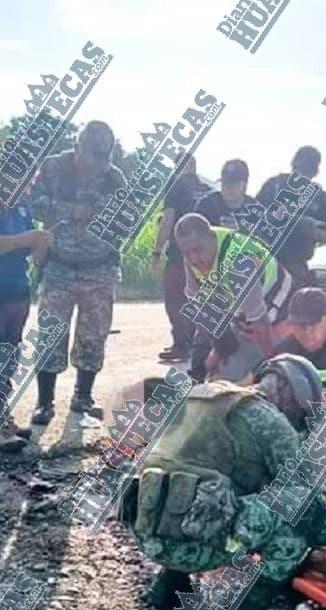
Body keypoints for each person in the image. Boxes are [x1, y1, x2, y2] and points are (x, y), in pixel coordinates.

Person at [118, 355, 326, 610]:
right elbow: (307, 499)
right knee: (297, 511)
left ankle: (167, 587)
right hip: (199, 546)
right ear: (295, 396)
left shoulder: (202, 394)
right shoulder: (269, 420)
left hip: (147, 533)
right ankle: (247, 605)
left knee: (193, 488)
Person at [28, 121, 127, 425]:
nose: (95, 167)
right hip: (59, 265)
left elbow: (127, 217)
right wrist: (68, 209)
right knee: (50, 336)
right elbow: (34, 202)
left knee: (93, 336)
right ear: (79, 145)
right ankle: (44, 402)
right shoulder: (54, 167)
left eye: (101, 159)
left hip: (100, 269)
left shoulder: (114, 178)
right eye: (91, 158)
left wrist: (98, 212)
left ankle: (82, 398)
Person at [175, 213, 295, 384]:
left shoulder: (239, 261)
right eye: (186, 253)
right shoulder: (192, 256)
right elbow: (202, 312)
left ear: (211, 239)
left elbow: (259, 321)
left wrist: (272, 367)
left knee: (248, 382)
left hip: (277, 310)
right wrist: (217, 351)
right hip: (242, 311)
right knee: (213, 375)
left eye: (197, 251)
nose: (193, 259)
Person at [0, 199, 53, 452]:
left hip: (17, 289)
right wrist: (27, 239)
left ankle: (3, 418)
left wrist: (40, 244)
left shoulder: (23, 207)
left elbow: (28, 248)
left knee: (9, 355)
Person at [151, 154, 208, 361]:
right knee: (196, 300)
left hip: (179, 255)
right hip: (205, 258)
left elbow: (167, 220)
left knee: (175, 300)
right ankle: (195, 344)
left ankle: (181, 345)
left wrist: (156, 252)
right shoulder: (206, 189)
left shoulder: (176, 187)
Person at [256, 146, 326, 286]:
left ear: (314, 172)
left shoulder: (320, 197)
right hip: (266, 259)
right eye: (298, 170)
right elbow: (252, 218)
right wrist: (275, 216)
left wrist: (305, 226)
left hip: (296, 265)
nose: (301, 175)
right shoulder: (273, 186)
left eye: (306, 172)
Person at [194, 159, 254, 228]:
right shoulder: (206, 204)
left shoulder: (255, 211)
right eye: (225, 183)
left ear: (244, 186)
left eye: (233, 184)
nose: (228, 188)